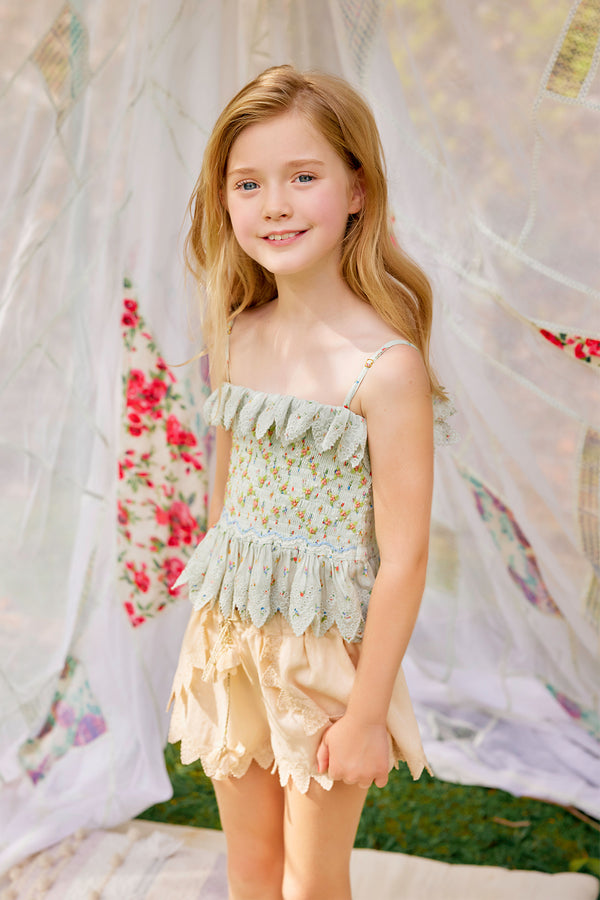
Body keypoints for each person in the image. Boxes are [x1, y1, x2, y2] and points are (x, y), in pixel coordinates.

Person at [167, 64, 454, 900]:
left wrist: (364, 715)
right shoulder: (236, 331)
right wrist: (214, 626)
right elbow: (225, 499)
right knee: (252, 870)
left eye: (303, 177)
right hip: (233, 640)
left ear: (357, 189)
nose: (275, 205)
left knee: (311, 882)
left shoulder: (385, 367)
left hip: (325, 658)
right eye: (248, 183)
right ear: (224, 199)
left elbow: (404, 559)